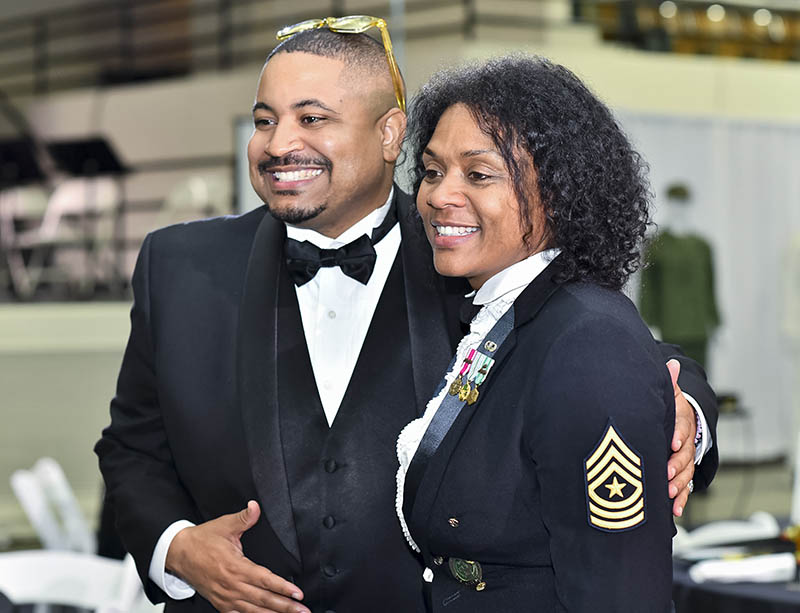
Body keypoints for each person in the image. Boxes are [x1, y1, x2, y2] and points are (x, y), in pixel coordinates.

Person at [95, 22, 716, 613]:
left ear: (391, 134)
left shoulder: (471, 248)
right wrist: (176, 548)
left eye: (311, 118)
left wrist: (680, 412)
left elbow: (608, 348)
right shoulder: (178, 266)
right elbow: (131, 448)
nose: (280, 144)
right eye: (265, 121)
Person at [396, 55, 683, 612]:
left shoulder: (586, 339)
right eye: (432, 171)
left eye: (478, 174)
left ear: (558, 191)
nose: (438, 195)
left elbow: (619, 593)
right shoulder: (505, 312)